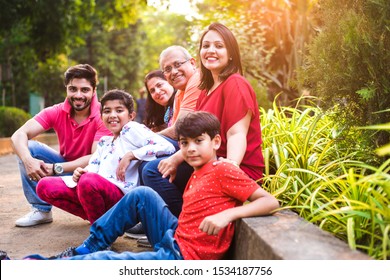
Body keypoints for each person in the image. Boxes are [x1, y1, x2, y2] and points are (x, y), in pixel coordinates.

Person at [4, 111, 279, 260]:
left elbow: (270, 201)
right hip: (176, 236)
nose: (190, 149)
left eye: (199, 141)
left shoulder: (223, 170)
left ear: (216, 142)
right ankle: (90, 245)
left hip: (184, 258)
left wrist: (227, 214)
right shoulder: (199, 169)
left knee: (112, 265)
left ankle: (42, 266)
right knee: (142, 194)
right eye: (184, 143)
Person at [143, 22, 266, 219]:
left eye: (219, 46)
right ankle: (180, 224)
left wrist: (231, 166)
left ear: (231, 52)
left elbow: (236, 133)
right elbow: (194, 137)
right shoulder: (206, 90)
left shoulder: (235, 83)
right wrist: (175, 158)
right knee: (156, 167)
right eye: (206, 46)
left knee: (152, 171)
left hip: (234, 166)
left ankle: (181, 225)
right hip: (208, 161)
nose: (211, 50)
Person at [36, 89, 175, 224]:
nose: (112, 115)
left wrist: (132, 155)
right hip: (97, 192)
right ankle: (103, 223)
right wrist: (81, 172)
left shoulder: (131, 129)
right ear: (101, 116)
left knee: (88, 181)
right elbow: (93, 167)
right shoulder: (104, 142)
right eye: (107, 111)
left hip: (122, 198)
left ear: (131, 116)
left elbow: (167, 147)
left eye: (119, 110)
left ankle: (100, 235)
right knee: (44, 186)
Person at [11, 64, 111, 227]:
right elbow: (18, 135)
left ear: (94, 90)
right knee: (28, 147)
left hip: (93, 174)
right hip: (65, 167)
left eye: (84, 90)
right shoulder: (57, 111)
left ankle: (101, 210)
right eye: (73, 89)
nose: (78, 95)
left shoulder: (104, 114)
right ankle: (41, 209)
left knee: (92, 175)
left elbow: (96, 157)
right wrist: (28, 160)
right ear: (66, 89)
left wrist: (56, 168)